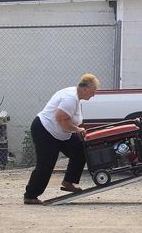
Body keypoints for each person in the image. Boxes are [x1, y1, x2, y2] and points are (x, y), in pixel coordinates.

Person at [23, 73, 100, 205]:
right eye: (93, 92)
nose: (93, 95)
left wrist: (76, 130)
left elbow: (65, 122)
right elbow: (61, 120)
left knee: (81, 150)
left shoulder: (75, 96)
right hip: (45, 131)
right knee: (45, 164)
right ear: (85, 89)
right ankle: (30, 195)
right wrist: (78, 129)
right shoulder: (70, 98)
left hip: (61, 133)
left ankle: (68, 182)